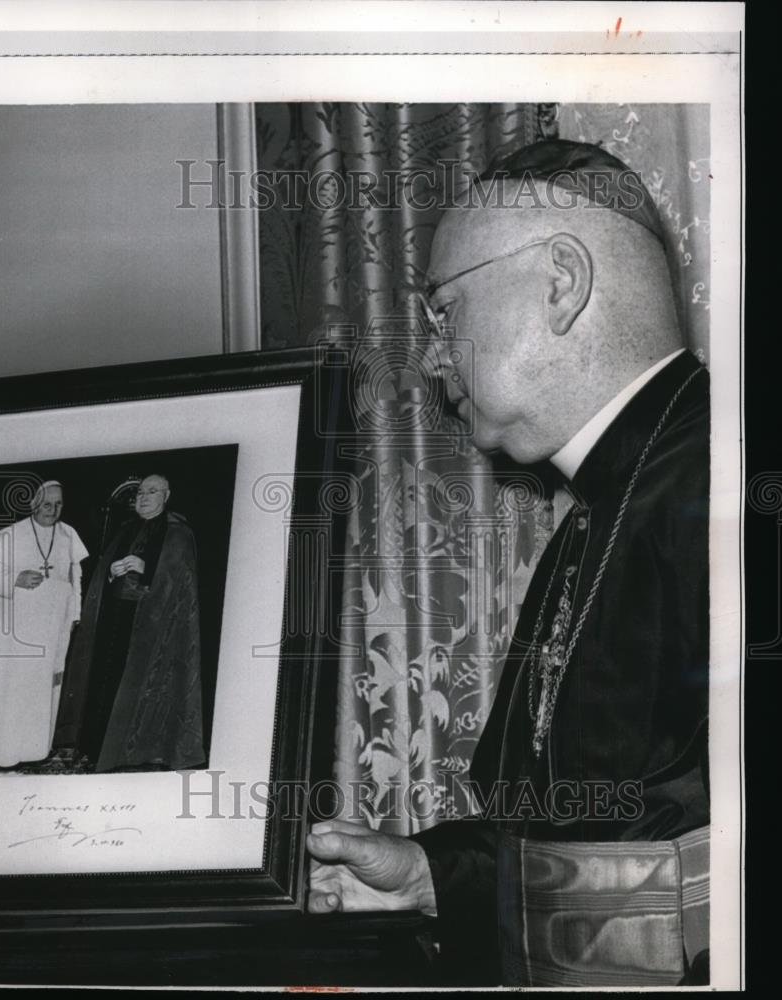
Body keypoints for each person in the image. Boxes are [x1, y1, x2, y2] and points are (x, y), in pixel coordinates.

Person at [307, 140, 710, 987]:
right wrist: (427, 874)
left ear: (560, 281)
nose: (428, 356)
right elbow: (591, 840)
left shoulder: (726, 482)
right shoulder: (595, 514)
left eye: (445, 310)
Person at [54, 474, 205, 772]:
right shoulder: (125, 529)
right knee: (103, 683)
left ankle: (132, 753)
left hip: (153, 627)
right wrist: (110, 572)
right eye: (140, 493)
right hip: (115, 621)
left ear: (166, 495)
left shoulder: (178, 533)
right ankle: (94, 747)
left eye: (152, 492)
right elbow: (101, 579)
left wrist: (146, 569)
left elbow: (179, 583)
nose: (144, 498)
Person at [0, 480, 88, 768]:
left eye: (59, 503)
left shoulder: (68, 535)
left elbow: (75, 578)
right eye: (47, 503)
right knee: (8, 686)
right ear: (33, 504)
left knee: (39, 687)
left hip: (51, 628)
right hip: (13, 631)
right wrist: (15, 579)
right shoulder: (12, 534)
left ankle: (32, 750)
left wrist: (75, 613)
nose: (53, 509)